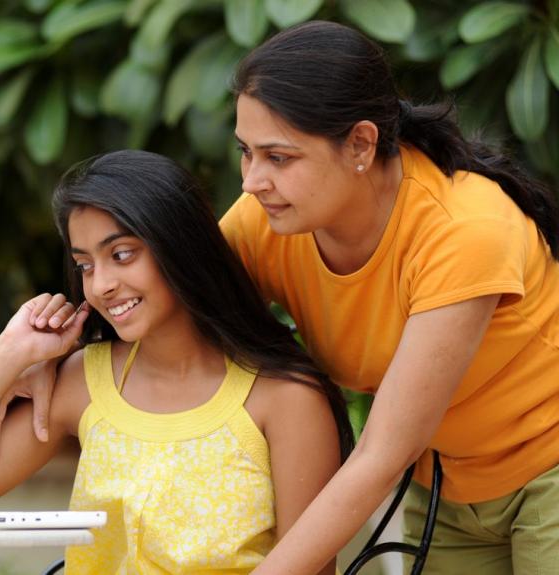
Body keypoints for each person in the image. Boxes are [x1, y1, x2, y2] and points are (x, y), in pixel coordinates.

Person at [0, 150, 353, 574]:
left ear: (179, 246)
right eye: (85, 265)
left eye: (121, 255)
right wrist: (6, 356)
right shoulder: (84, 382)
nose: (101, 286)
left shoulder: (285, 398)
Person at [220, 19, 559, 575]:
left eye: (278, 157)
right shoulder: (267, 218)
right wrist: (30, 356)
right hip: (449, 490)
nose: (251, 181)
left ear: (360, 144)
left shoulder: (463, 229)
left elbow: (382, 453)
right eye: (245, 152)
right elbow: (167, 307)